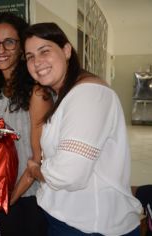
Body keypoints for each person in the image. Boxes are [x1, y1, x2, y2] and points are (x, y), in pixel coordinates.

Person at [23, 22, 142, 235]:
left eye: (45, 51)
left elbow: (69, 174)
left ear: (67, 50)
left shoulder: (89, 95)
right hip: (71, 219)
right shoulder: (67, 93)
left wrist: (36, 170)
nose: (37, 62)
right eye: (30, 56)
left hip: (90, 225)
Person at [0, 12, 50, 235]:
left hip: (33, 197)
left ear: (23, 49)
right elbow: (7, 140)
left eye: (9, 42)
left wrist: (8, 200)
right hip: (8, 191)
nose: (1, 49)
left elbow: (38, 160)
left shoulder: (37, 93)